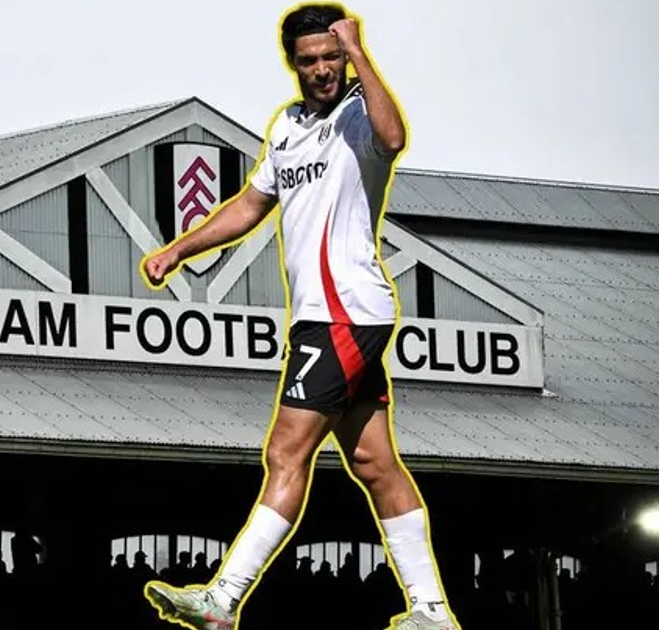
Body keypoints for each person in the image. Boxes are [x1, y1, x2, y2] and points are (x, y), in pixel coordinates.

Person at [139, 3, 461, 630]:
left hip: (344, 312)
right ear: (293, 64)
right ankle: (432, 612)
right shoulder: (287, 126)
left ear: (344, 56)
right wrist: (179, 249)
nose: (322, 70)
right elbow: (251, 204)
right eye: (309, 60)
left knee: (286, 453)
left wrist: (361, 53)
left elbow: (395, 140)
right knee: (374, 464)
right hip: (328, 317)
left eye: (330, 57)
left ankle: (223, 599)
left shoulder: (358, 118)